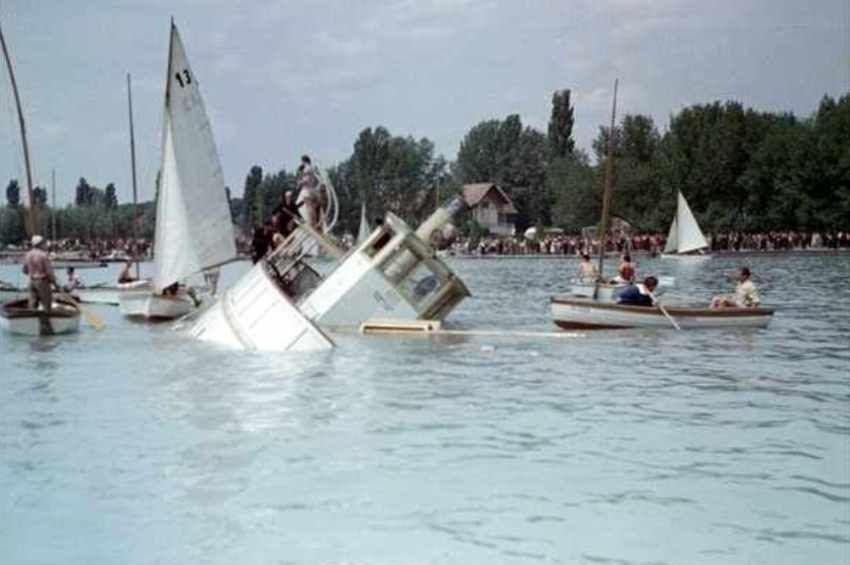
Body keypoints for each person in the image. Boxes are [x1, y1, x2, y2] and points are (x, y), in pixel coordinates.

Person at [22, 235, 56, 313]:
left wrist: (33, 273)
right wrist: (54, 282)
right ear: (40, 244)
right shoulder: (43, 255)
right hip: (42, 282)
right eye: (44, 243)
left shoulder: (28, 255)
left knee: (32, 304)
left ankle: (31, 321)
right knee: (46, 304)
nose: (45, 245)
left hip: (32, 281)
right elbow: (49, 272)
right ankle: (46, 322)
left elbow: (24, 270)